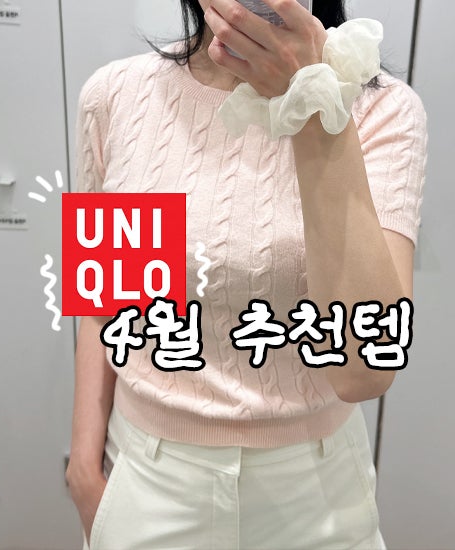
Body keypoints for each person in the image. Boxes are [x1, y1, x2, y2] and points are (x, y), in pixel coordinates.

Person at [65, 0, 427, 548]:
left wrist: (310, 101)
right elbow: (107, 300)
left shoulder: (383, 110)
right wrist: (83, 468)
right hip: (146, 474)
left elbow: (364, 370)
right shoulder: (119, 96)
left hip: (316, 492)